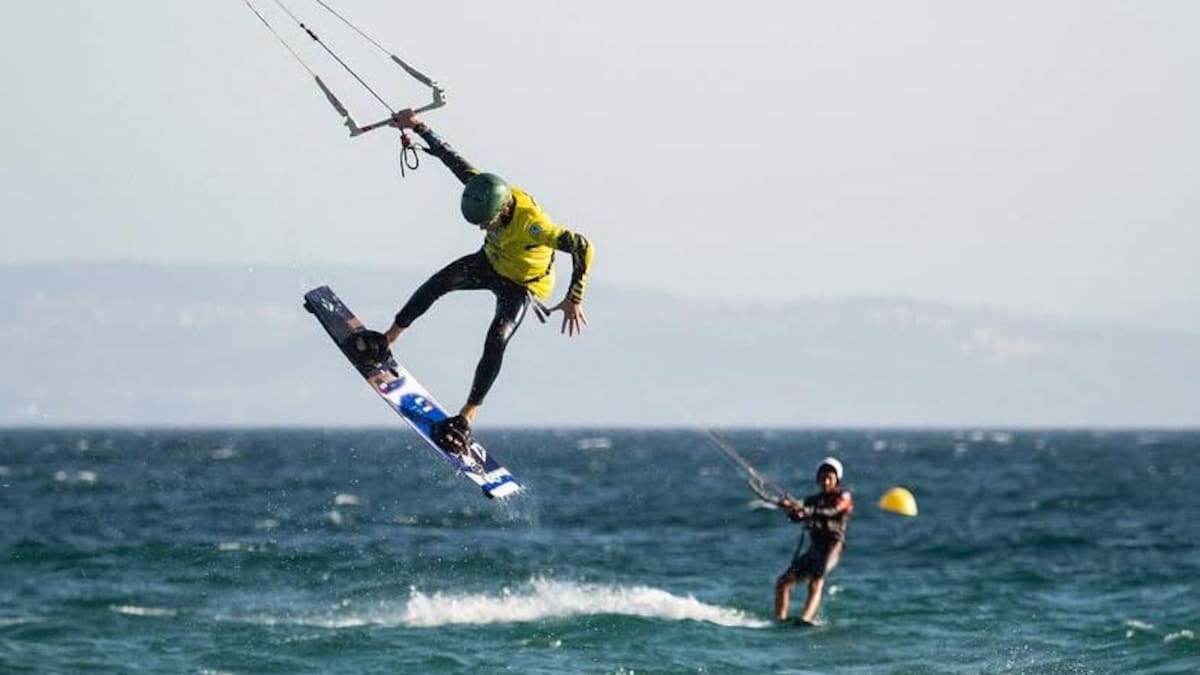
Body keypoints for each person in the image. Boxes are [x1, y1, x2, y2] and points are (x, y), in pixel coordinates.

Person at [351, 110, 594, 453]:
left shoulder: (534, 226)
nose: (483, 228)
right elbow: (451, 157)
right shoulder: (485, 187)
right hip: (490, 263)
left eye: (487, 223)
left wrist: (575, 296)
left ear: (504, 212)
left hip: (524, 284)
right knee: (437, 284)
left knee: (497, 338)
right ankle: (387, 340)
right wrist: (416, 126)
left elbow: (583, 246)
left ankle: (466, 417)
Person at [774, 457, 853, 625]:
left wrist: (809, 510)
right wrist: (791, 508)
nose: (825, 481)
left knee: (816, 581)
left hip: (833, 546)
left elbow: (832, 511)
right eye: (822, 477)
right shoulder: (813, 500)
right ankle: (779, 620)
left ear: (836, 480)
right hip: (815, 548)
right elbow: (797, 516)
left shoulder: (843, 497)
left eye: (829, 478)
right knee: (783, 583)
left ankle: (806, 619)